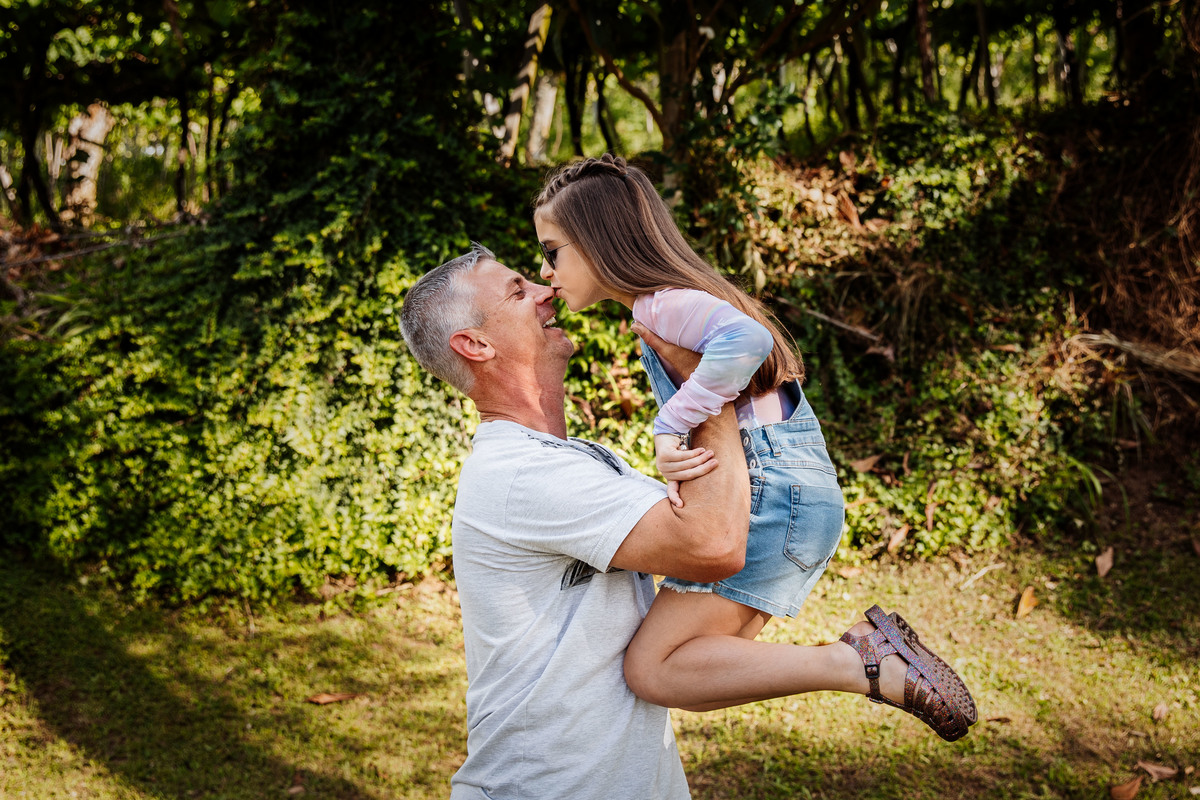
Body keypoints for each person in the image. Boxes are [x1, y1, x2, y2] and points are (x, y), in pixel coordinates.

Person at [399, 243, 975, 800]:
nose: (547, 291)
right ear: (474, 343)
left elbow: (715, 560)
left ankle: (863, 661)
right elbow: (715, 543)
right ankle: (862, 662)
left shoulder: (579, 461)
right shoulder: (519, 475)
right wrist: (712, 386)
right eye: (518, 292)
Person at [532, 155, 978, 721]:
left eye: (553, 251)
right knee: (690, 667)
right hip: (793, 493)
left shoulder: (663, 303)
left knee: (655, 668)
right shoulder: (670, 300)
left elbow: (748, 341)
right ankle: (862, 659)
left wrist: (670, 423)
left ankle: (860, 661)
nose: (546, 270)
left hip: (774, 496)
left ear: (601, 242)